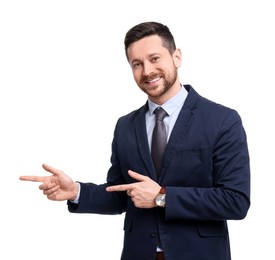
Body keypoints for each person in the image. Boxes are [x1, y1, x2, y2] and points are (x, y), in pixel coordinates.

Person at [19, 21, 250, 260]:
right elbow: (121, 194)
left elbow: (235, 201)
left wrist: (162, 197)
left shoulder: (222, 120)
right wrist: (76, 191)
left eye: (155, 58)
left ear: (176, 57)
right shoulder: (125, 126)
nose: (147, 71)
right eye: (136, 64)